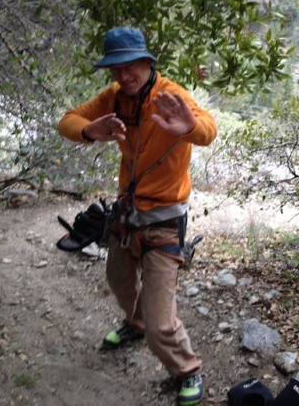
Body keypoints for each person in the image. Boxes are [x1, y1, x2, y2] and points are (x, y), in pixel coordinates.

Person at [58, 27, 217, 406]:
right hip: (126, 216)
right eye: (115, 69)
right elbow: (67, 120)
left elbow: (208, 128)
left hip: (164, 221)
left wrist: (190, 127)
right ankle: (135, 325)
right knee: (119, 280)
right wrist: (89, 131)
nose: (123, 76)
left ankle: (187, 369)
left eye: (130, 67)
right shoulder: (115, 97)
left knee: (162, 322)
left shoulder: (171, 96)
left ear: (147, 63)